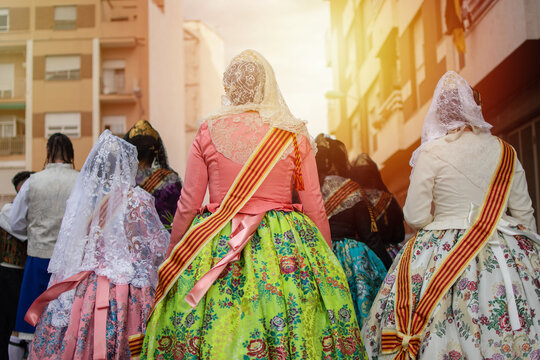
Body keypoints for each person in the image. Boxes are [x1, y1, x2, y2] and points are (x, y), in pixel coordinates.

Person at [134, 50, 367, 359]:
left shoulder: (208, 130)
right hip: (285, 243)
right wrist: (323, 259)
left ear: (229, 88)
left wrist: (174, 254)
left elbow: (189, 203)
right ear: (266, 84)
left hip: (216, 239)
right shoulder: (293, 132)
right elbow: (313, 203)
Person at [362, 71, 540, 359]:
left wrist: (443, 228)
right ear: (475, 108)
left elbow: (416, 215)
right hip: (505, 254)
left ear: (440, 113)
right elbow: (524, 215)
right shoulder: (506, 151)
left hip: (442, 253)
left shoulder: (432, 152)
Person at [26, 130, 169, 359]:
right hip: (129, 290)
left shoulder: (87, 199)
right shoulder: (137, 199)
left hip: (88, 288)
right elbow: (157, 247)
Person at [315, 135, 391, 329]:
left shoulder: (309, 188)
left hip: (318, 255)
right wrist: (391, 270)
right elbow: (370, 235)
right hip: (352, 259)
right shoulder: (352, 188)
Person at [9, 133, 79, 342]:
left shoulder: (33, 181)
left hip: (39, 259)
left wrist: (34, 233)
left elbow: (15, 222)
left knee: (35, 328)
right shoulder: (80, 180)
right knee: (66, 327)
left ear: (48, 152)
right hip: (70, 263)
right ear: (71, 153)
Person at [124, 119, 182, 228]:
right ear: (155, 152)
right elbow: (178, 217)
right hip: (163, 241)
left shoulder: (121, 179)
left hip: (130, 243)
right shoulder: (170, 179)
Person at [0, 171, 33, 360]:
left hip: (27, 271)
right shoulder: (7, 211)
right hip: (9, 272)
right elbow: (22, 231)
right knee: (12, 322)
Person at [350, 153, 405, 265]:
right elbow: (400, 235)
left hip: (360, 259)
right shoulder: (388, 199)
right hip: (391, 256)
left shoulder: (349, 201)